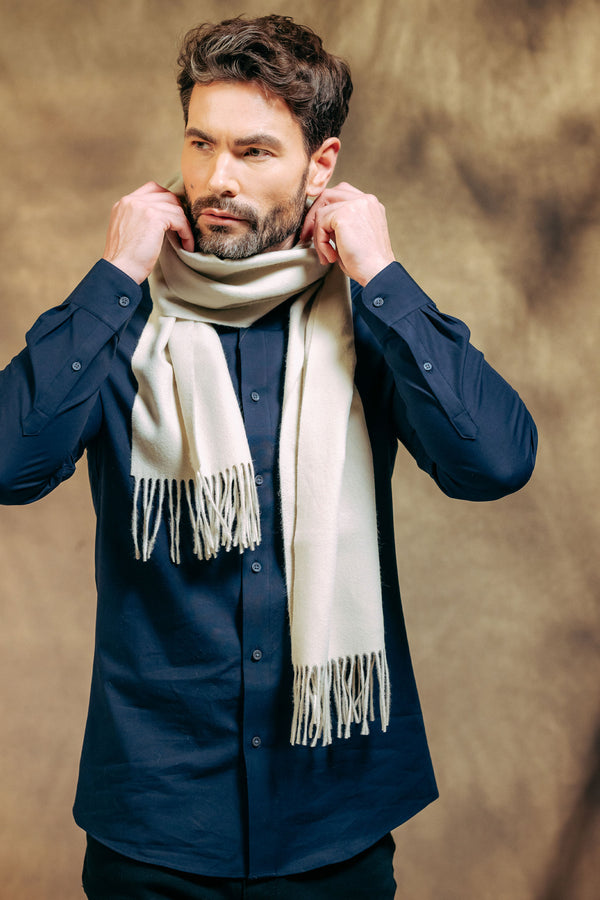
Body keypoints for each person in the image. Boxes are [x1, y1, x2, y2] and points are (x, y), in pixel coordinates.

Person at [0, 14, 537, 900]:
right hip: (155, 830)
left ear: (319, 167)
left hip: (334, 822)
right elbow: (11, 466)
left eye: (254, 151)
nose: (217, 179)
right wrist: (111, 276)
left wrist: (386, 275)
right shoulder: (121, 325)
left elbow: (496, 463)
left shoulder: (370, 324)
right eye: (201, 144)